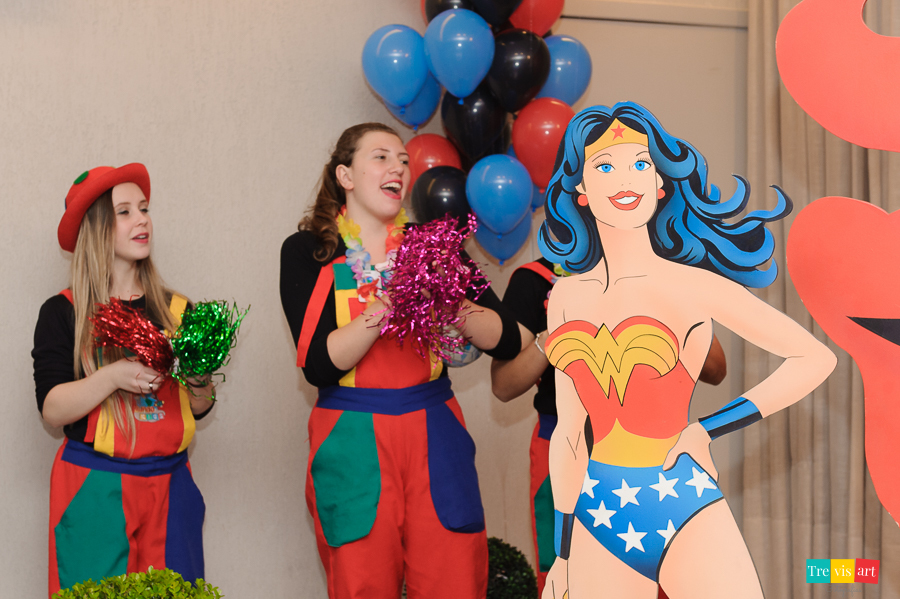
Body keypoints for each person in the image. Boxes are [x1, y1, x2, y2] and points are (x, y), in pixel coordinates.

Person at [536, 103, 836, 598]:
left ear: (660, 183)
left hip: (683, 498)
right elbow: (569, 434)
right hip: (598, 511)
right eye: (605, 166)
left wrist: (707, 429)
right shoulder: (566, 296)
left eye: (640, 163)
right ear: (582, 192)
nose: (624, 179)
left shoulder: (695, 286)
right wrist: (561, 557)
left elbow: (814, 358)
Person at [279, 123, 524, 599]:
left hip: (435, 432)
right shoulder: (308, 250)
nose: (399, 167)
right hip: (350, 437)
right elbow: (318, 365)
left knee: (454, 579)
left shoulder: (434, 247)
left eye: (403, 160)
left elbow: (510, 339)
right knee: (361, 583)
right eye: (381, 157)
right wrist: (393, 297)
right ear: (345, 176)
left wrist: (451, 306)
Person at [491, 257, 727, 596]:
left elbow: (716, 370)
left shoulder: (659, 271)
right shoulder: (534, 279)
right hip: (564, 448)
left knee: (658, 576)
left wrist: (660, 301)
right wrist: (555, 330)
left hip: (649, 450)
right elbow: (504, 385)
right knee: (570, 579)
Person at [32, 164, 216, 598]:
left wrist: (199, 379)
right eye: (125, 212)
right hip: (94, 490)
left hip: (171, 487)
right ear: (96, 228)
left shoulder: (179, 309)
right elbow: (53, 409)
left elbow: (201, 406)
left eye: (145, 209)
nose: (143, 220)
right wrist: (114, 375)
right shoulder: (63, 312)